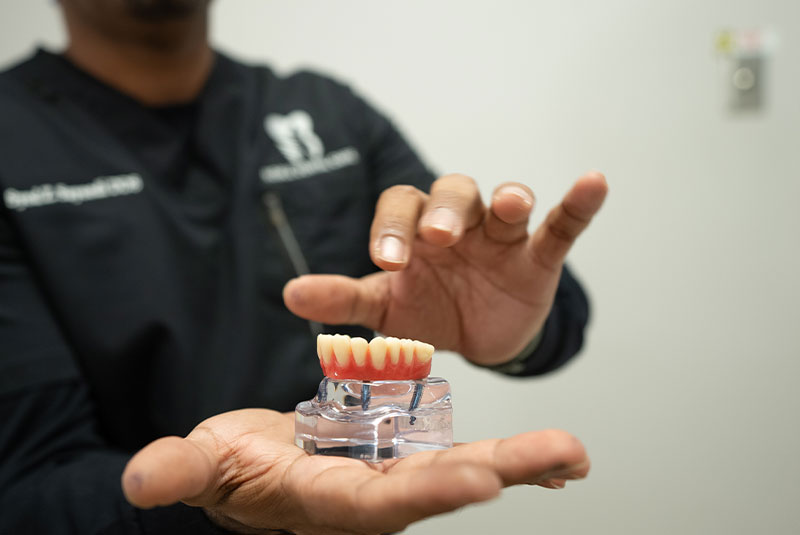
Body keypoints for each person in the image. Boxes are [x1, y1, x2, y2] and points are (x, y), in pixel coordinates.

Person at [0, 1, 608, 533]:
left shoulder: (327, 112)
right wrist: (219, 504)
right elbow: (25, 481)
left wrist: (514, 335)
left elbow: (551, 323)